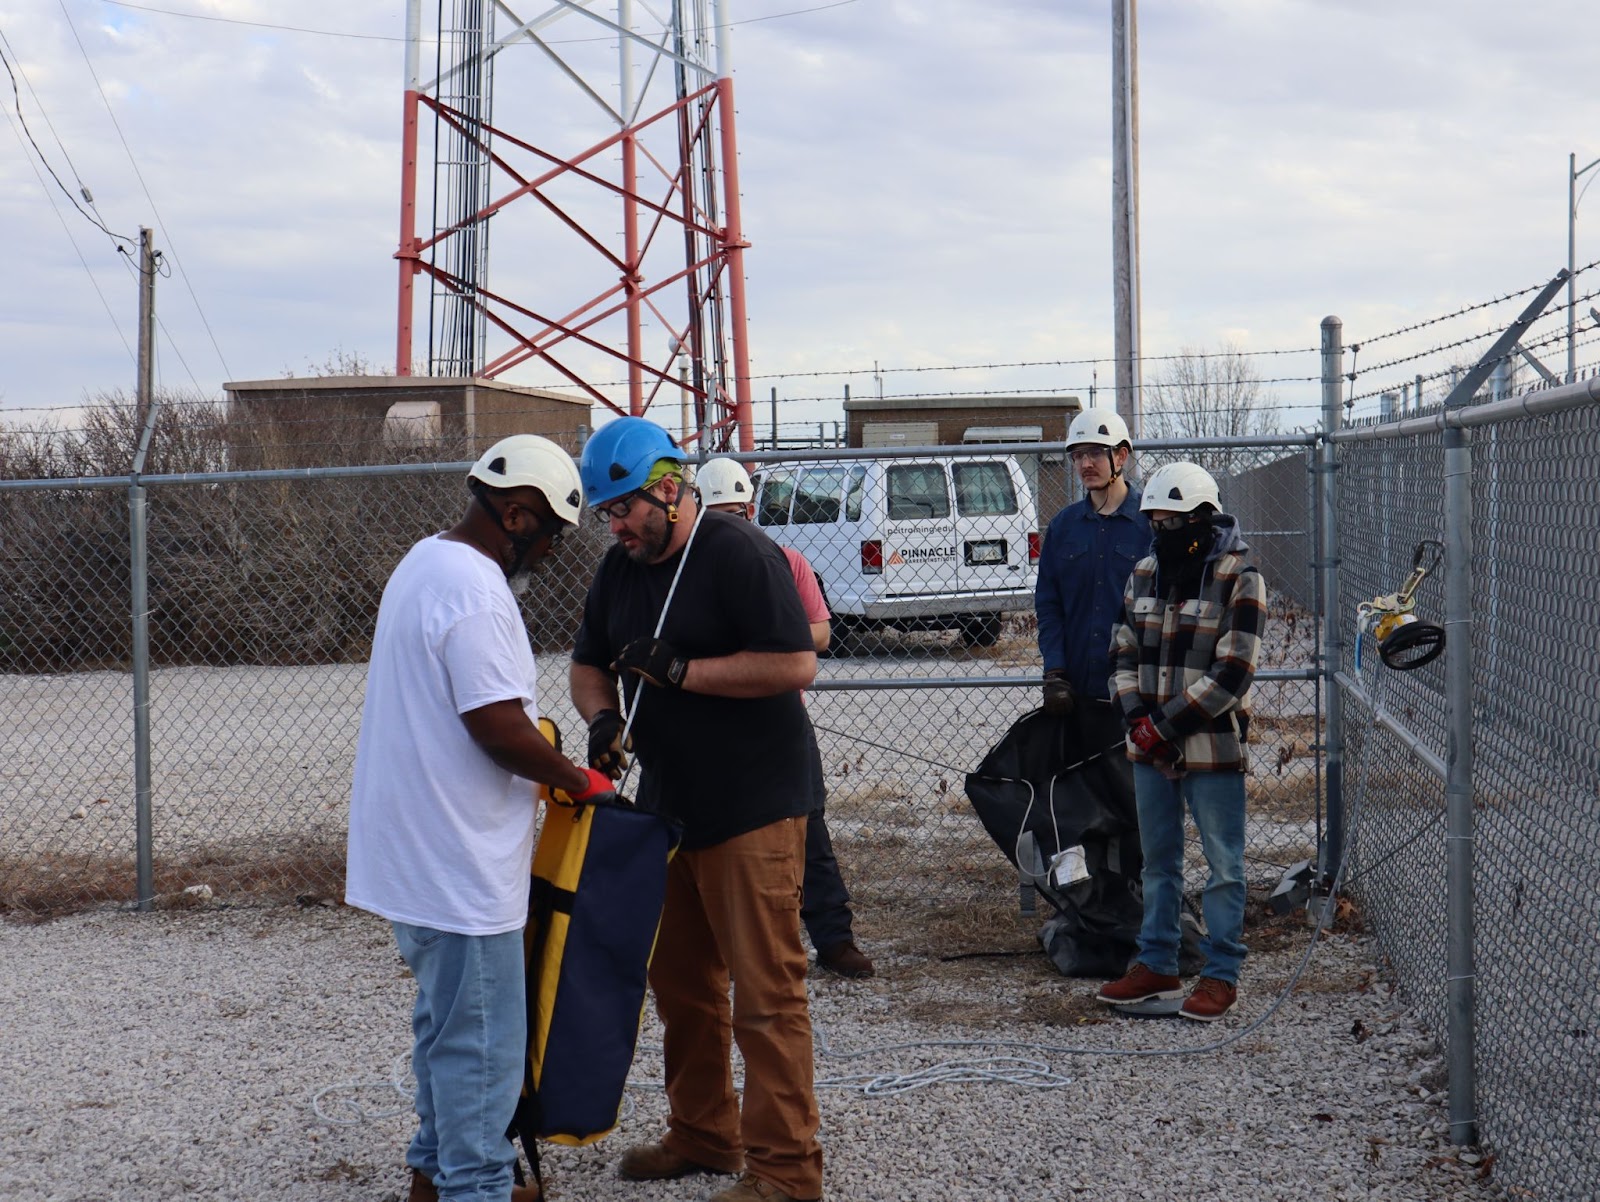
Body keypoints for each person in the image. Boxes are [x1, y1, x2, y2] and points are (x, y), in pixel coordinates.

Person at [346, 435, 617, 1202]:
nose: (551, 554)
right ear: (518, 514)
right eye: (552, 536)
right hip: (457, 868)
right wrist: (577, 779)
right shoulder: (474, 590)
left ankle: (432, 1175)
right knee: (486, 1050)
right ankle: (476, 1187)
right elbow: (497, 726)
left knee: (445, 1030)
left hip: (415, 858)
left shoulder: (424, 562)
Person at [569, 419, 824, 1202]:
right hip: (669, 807)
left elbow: (795, 663)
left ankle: (786, 1172)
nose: (615, 527)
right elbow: (585, 664)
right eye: (606, 514)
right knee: (681, 984)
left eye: (624, 510)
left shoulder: (737, 555)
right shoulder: (621, 570)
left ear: (670, 489)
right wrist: (605, 721)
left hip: (754, 803)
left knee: (766, 993)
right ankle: (706, 1131)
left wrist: (683, 671)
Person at [1097, 461, 1266, 1022]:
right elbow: (1122, 652)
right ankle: (1158, 966)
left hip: (1211, 749)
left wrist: (1161, 726)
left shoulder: (1241, 577)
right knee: (1157, 863)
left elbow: (1233, 674)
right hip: (1148, 745)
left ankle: (1220, 975)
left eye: (1170, 523)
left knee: (1224, 866)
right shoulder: (1144, 572)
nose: (1159, 535)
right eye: (1154, 523)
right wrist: (1136, 720)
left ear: (1201, 518)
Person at [694, 456, 875, 979]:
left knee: (808, 824)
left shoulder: (785, 560)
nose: (728, 525)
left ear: (750, 509)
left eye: (735, 513)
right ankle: (715, 946)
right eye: (716, 516)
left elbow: (819, 635)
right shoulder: (691, 572)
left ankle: (834, 939)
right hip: (709, 723)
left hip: (778, 720)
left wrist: (763, 646)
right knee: (710, 833)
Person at [1034, 408, 1152, 754]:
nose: (1086, 463)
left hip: (1137, 691)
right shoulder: (1063, 527)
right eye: (1078, 455)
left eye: (1097, 453)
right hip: (1078, 691)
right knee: (1080, 794)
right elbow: (1049, 604)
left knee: (1132, 797)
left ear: (1121, 455)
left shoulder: (1150, 523)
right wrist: (1055, 671)